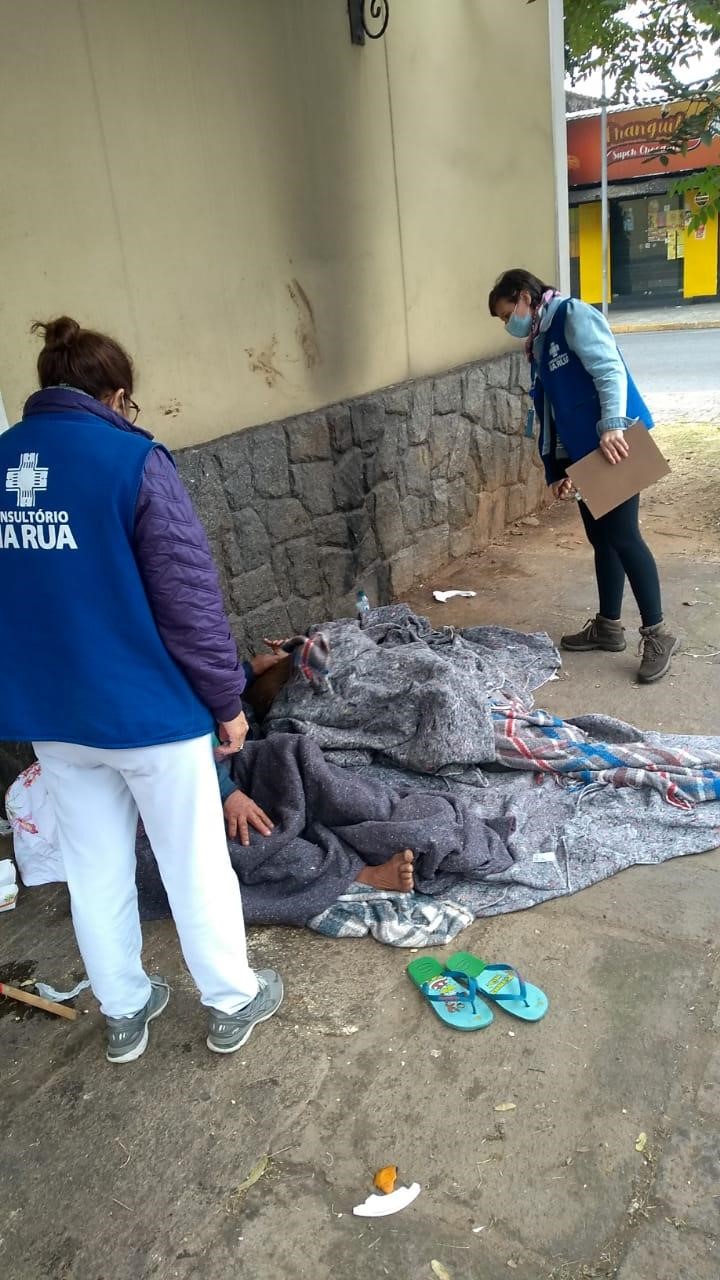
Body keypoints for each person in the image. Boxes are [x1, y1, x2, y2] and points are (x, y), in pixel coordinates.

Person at [0, 316, 284, 1062]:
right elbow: (188, 602)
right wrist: (226, 701)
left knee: (93, 868)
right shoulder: (130, 460)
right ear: (116, 395)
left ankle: (124, 1012)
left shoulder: (3, 461)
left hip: (56, 719)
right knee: (193, 862)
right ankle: (232, 999)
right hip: (148, 713)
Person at [488, 268, 677, 684]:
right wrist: (557, 469)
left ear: (524, 297)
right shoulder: (539, 340)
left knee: (624, 537)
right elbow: (550, 409)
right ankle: (609, 626)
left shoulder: (572, 315)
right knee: (601, 538)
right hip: (586, 452)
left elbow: (609, 369)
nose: (508, 324)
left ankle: (658, 633)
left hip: (614, 443)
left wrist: (612, 425)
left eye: (506, 314)